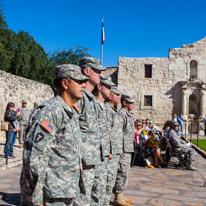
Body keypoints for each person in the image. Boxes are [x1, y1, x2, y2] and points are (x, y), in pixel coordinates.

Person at [20, 64, 89, 206]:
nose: (84, 85)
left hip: (66, 191)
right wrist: (36, 199)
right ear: (65, 83)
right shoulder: (50, 112)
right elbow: (33, 156)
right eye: (79, 81)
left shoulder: (71, 112)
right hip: (50, 196)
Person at [73, 57, 106, 206]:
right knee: (81, 200)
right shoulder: (78, 98)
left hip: (93, 160)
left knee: (92, 198)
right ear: (87, 71)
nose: (100, 75)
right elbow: (72, 130)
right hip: (83, 162)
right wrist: (77, 157)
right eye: (97, 71)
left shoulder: (91, 99)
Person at [91, 75, 115, 206]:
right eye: (109, 87)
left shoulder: (103, 106)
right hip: (95, 156)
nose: (111, 90)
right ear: (99, 87)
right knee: (95, 192)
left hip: (104, 156)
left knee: (101, 188)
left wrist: (109, 150)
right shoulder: (92, 104)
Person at [113, 94, 135, 206]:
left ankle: (121, 194)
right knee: (121, 172)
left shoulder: (128, 115)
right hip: (122, 149)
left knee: (125, 172)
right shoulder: (121, 114)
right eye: (131, 102)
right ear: (124, 103)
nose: (133, 104)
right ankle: (117, 197)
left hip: (127, 148)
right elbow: (117, 132)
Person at [103, 86, 123, 206]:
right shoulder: (106, 110)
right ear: (110, 96)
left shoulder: (113, 111)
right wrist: (109, 150)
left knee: (110, 182)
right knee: (106, 183)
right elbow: (106, 132)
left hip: (115, 152)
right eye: (117, 95)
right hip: (110, 154)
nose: (119, 97)